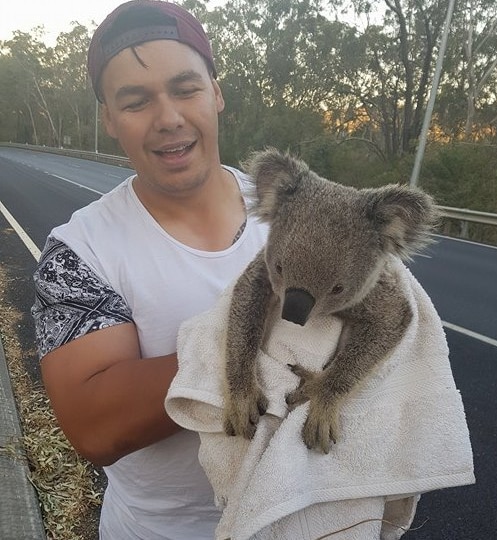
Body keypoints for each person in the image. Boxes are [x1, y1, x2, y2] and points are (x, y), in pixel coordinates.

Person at [31, 1, 268, 538]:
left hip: (308, 517)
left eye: (186, 89)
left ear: (216, 93)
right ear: (109, 120)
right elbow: (95, 425)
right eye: (137, 101)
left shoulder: (295, 211)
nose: (169, 118)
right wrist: (262, 345)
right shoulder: (79, 252)